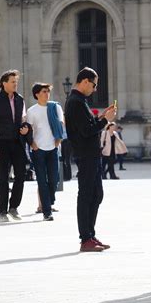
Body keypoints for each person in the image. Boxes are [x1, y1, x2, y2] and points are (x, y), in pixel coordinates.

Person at [65, 67, 116, 252]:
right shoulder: (75, 102)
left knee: (96, 194)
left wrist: (103, 117)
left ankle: (90, 235)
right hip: (85, 154)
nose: (94, 89)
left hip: (91, 154)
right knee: (86, 194)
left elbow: (88, 125)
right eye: (94, 85)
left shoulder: (80, 101)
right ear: (85, 81)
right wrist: (104, 121)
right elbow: (86, 131)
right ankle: (85, 238)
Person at [0, 70, 29, 222]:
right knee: (3, 178)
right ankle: (3, 211)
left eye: (16, 82)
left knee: (21, 175)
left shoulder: (20, 100)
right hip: (1, 143)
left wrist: (25, 128)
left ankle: (13, 207)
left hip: (17, 142)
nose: (15, 84)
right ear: (4, 83)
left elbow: (23, 119)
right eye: (12, 81)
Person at [27, 83, 64, 221]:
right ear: (37, 94)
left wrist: (58, 142)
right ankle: (47, 212)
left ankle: (49, 201)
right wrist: (33, 144)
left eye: (48, 91)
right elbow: (29, 131)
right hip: (38, 150)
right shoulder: (32, 111)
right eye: (44, 91)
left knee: (54, 180)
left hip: (53, 148)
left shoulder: (55, 107)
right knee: (42, 181)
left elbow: (62, 125)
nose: (47, 93)